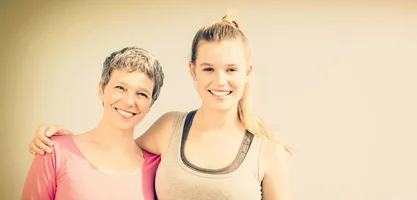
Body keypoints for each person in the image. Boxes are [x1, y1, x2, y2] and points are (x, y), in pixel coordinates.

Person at [27, 12, 292, 200]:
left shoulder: (268, 153)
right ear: (193, 71)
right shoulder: (169, 129)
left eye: (231, 69)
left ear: (247, 72)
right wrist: (64, 144)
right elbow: (113, 152)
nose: (220, 81)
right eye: (208, 68)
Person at [22, 46, 165, 200]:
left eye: (142, 94)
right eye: (120, 88)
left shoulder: (159, 167)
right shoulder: (53, 151)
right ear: (101, 89)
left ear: (150, 105)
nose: (129, 101)